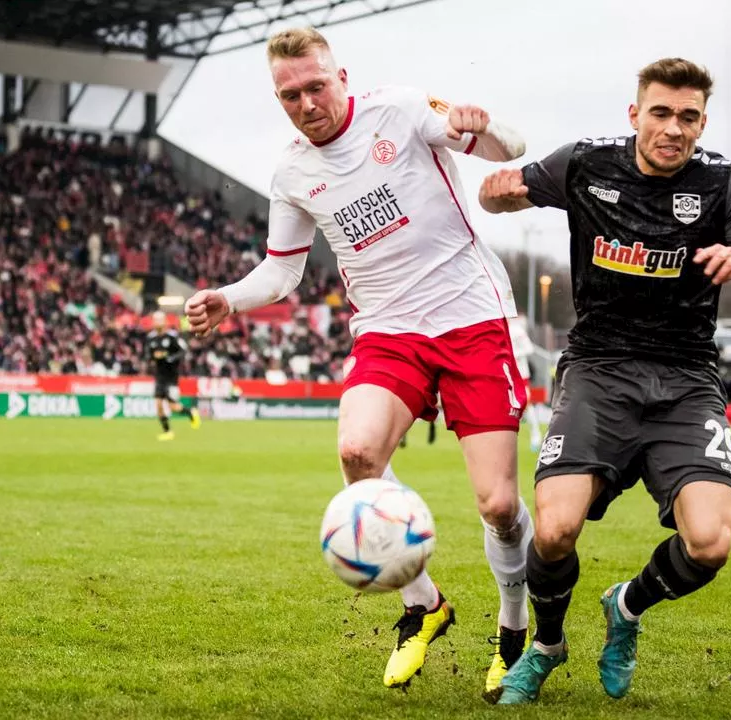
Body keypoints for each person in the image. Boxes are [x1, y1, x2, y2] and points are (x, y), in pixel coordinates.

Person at [185, 27, 534, 699]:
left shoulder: (399, 110)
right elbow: (282, 274)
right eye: (289, 94)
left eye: (315, 86)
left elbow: (507, 153)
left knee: (497, 502)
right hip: (389, 331)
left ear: (341, 76)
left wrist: (479, 124)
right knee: (356, 452)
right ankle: (425, 607)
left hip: (471, 319)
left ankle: (514, 629)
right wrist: (228, 299)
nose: (306, 102)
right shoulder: (292, 173)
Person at [477, 57, 731, 704]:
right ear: (635, 114)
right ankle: (547, 645)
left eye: (689, 117)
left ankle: (627, 605)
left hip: (685, 379)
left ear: (702, 121)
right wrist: (500, 184)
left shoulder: (726, 182)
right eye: (661, 113)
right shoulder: (587, 163)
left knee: (709, 542)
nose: (674, 128)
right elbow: (494, 194)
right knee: (556, 527)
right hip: (599, 371)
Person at [146, 310, 200, 440]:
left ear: (165, 322)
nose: (157, 322)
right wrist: (152, 358)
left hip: (171, 376)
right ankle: (167, 432)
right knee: (158, 405)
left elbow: (182, 351)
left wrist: (170, 358)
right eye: (155, 319)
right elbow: (147, 355)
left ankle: (190, 412)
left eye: (160, 319)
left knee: (173, 406)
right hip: (159, 376)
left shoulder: (172, 336)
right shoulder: (151, 338)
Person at [508, 317, 545, 452]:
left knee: (527, 405)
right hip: (506, 375)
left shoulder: (517, 330)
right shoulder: (498, 330)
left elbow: (529, 348)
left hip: (521, 375)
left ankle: (536, 436)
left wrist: (514, 354)